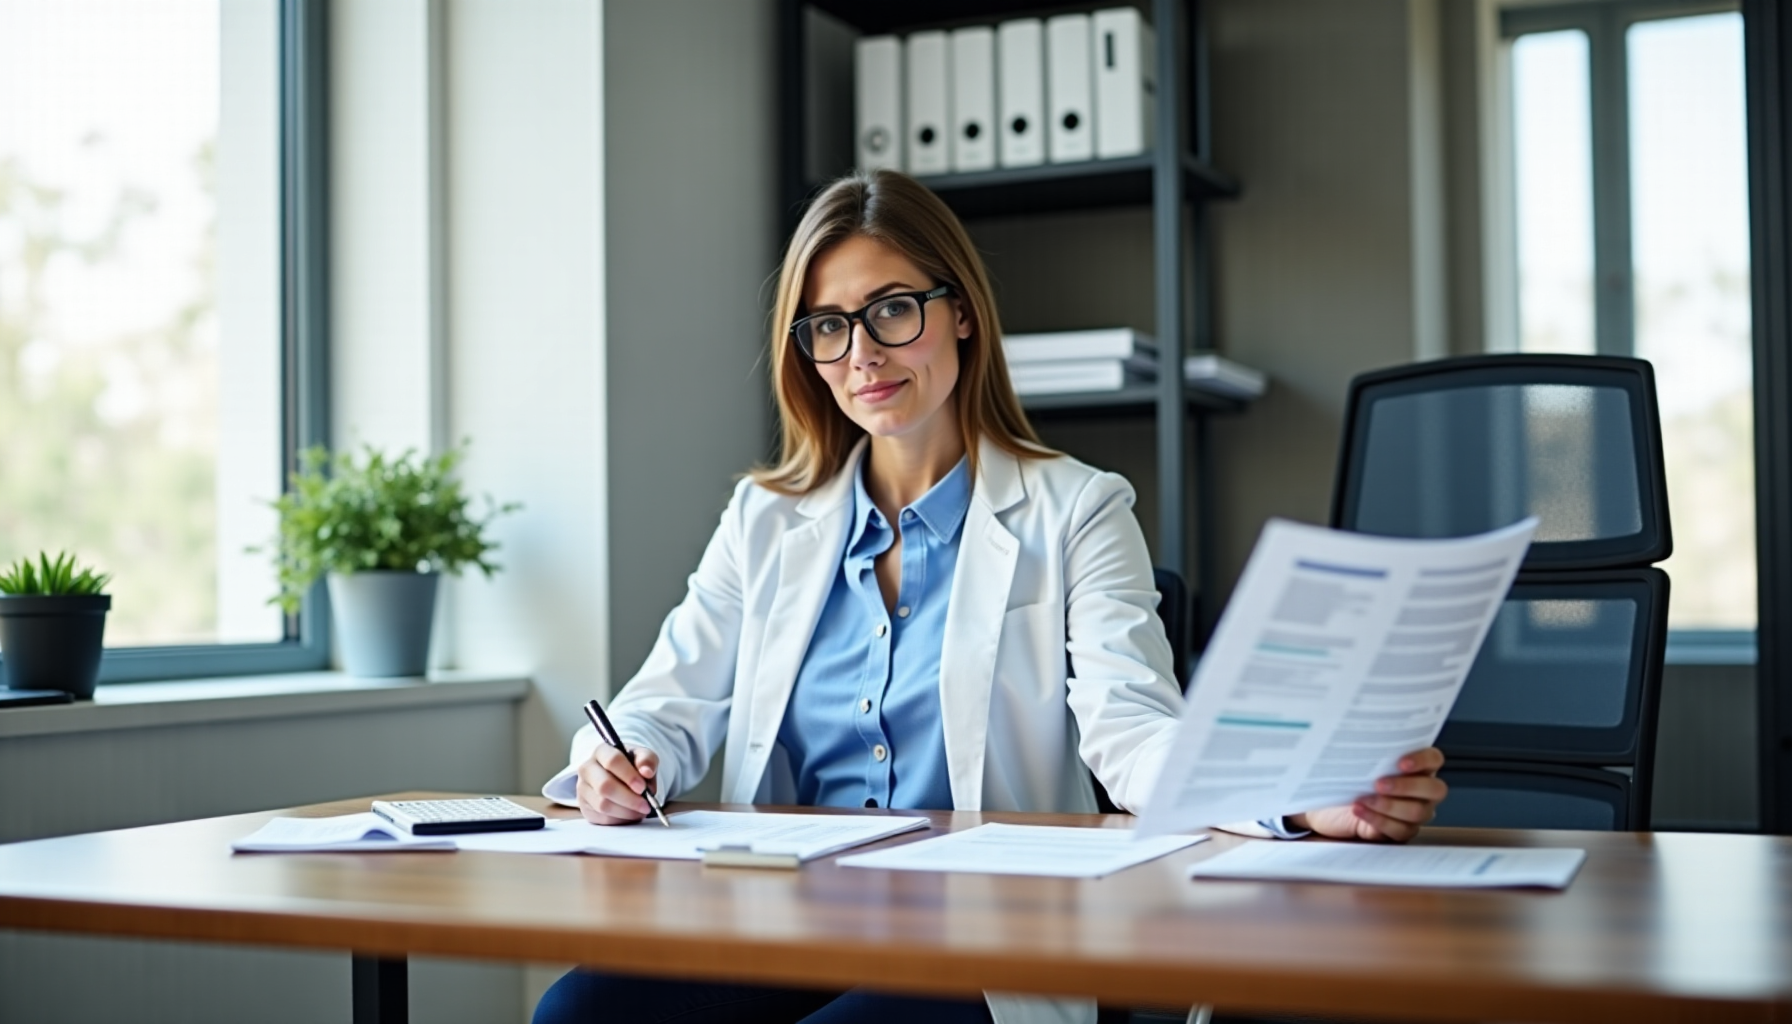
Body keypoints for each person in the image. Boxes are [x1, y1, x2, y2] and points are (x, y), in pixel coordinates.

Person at [532, 170, 1448, 1024]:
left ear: (961, 313)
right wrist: (621, 761)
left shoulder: (1079, 508)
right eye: (828, 327)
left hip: (978, 938)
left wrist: (1301, 801)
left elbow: (1135, 734)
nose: (862, 355)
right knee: (577, 1012)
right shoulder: (765, 519)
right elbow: (665, 700)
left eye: (893, 311)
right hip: (784, 916)